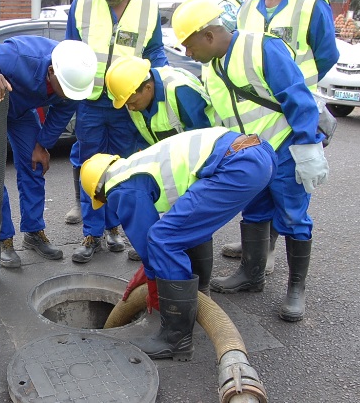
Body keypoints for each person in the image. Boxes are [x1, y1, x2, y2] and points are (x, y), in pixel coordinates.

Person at [173, 0, 330, 322]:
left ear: (209, 35)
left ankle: (296, 289)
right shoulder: (211, 67)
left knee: (293, 217)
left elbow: (297, 96)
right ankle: (252, 274)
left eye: (189, 45)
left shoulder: (261, 48)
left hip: (285, 149)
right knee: (255, 211)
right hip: (251, 157)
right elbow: (221, 115)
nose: (187, 54)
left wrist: (307, 146)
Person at [80, 127, 277, 359]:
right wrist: (150, 269)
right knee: (187, 228)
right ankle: (198, 294)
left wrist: (154, 285)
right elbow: (182, 226)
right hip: (258, 153)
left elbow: (150, 240)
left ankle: (176, 339)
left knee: (164, 239)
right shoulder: (136, 164)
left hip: (237, 164)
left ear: (99, 190)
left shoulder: (119, 186)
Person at [222, 0, 339, 265]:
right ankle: (262, 251)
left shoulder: (311, 3)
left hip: (296, 114)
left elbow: (326, 55)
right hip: (259, 118)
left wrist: (294, 85)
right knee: (259, 188)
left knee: (290, 192)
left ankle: (274, 250)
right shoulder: (248, 7)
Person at [0, 36, 97, 268]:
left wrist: (42, 146)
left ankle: (33, 232)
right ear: (51, 70)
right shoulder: (17, 57)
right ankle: (3, 240)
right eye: (65, 90)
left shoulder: (73, 82)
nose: (69, 95)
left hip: (21, 112)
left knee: (35, 166)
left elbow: (61, 113)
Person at [65, 0, 169, 263]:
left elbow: (154, 51)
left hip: (127, 103)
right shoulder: (82, 2)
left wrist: (160, 81)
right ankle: (92, 233)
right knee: (91, 168)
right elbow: (70, 49)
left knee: (123, 169)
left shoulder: (148, 8)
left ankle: (113, 229)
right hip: (91, 102)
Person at [104, 55, 215, 264]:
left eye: (132, 102)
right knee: (167, 207)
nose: (131, 108)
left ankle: (200, 279)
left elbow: (204, 139)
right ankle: (163, 249)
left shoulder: (179, 91)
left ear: (147, 88)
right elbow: (142, 137)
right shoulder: (136, 99)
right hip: (171, 160)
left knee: (195, 216)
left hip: (202, 159)